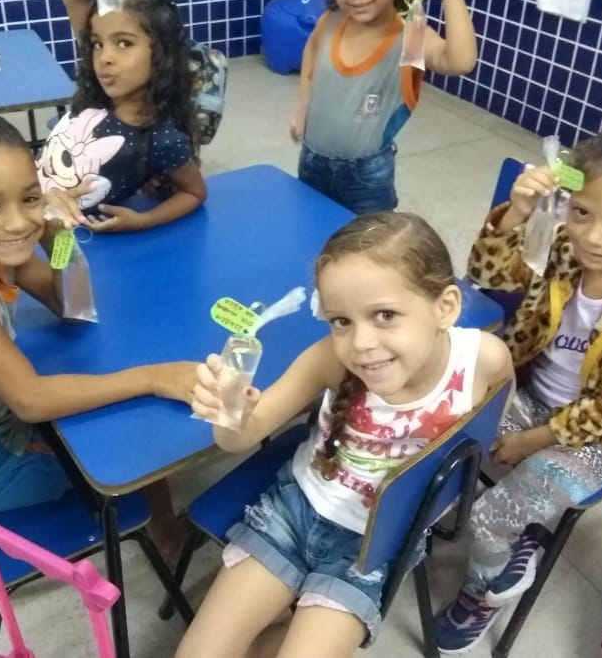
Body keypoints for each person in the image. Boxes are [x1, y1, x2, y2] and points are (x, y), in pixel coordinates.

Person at [176, 212, 512, 658]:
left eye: (385, 315)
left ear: (444, 307)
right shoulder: (328, 359)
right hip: (293, 513)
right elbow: (238, 438)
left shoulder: (484, 360)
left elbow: (489, 422)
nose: (361, 343)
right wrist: (230, 415)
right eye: (341, 321)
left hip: (372, 548)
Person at [436, 123, 602, 653]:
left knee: (489, 517)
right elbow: (488, 274)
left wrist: (529, 443)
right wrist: (515, 214)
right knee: (443, 433)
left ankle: (483, 595)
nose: (593, 237)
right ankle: (528, 532)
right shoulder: (564, 245)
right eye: (581, 213)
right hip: (536, 397)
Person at [0, 110, 195, 554]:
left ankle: (160, 526)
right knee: (137, 439)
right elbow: (31, 400)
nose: (17, 222)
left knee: (111, 407)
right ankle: (166, 536)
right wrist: (153, 377)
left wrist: (55, 233)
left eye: (29, 197)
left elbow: (72, 307)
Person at [289, 0, 477, 215]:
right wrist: (304, 103)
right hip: (311, 163)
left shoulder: (409, 38)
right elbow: (312, 52)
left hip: (366, 179)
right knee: (312, 235)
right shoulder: (330, 21)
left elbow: (461, 61)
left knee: (367, 244)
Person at [40, 0, 205, 233]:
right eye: (98, 43)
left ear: (161, 54)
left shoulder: (161, 138)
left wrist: (143, 220)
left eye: (124, 43)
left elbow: (194, 192)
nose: (105, 57)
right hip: (30, 210)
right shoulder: (96, 97)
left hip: (69, 239)